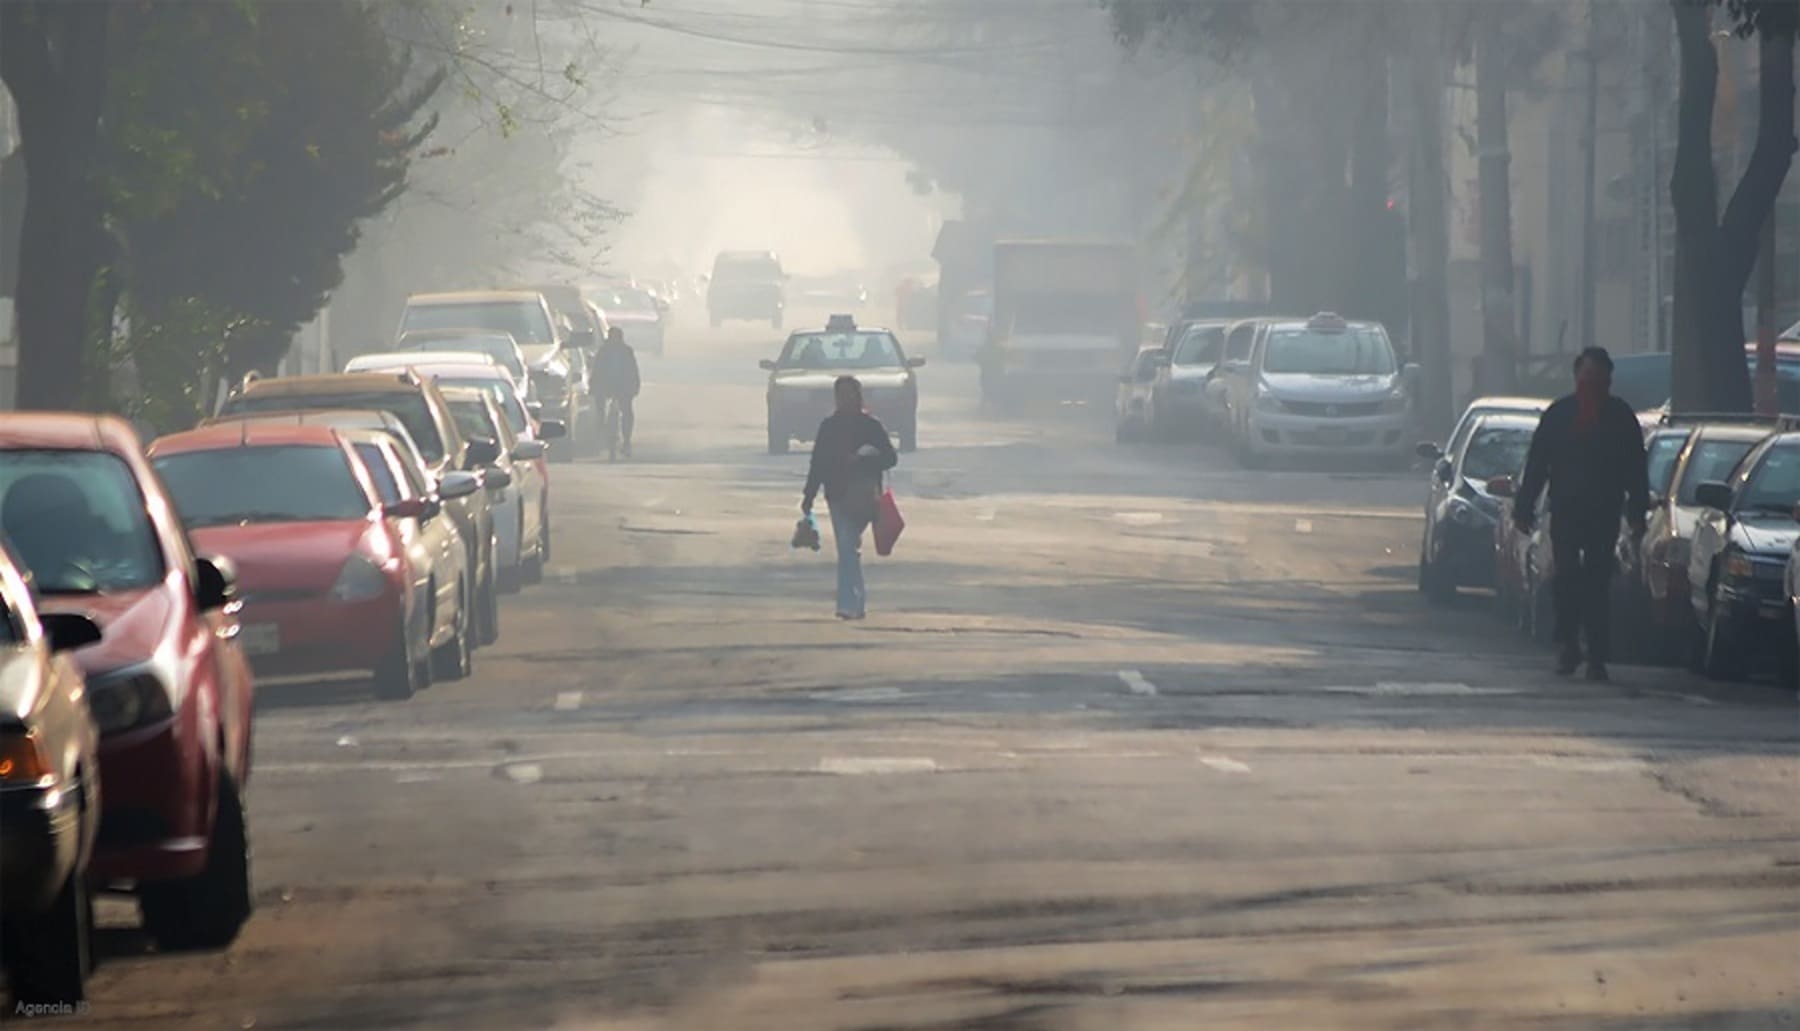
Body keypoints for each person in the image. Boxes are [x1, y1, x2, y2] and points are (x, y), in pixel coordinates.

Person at [1514, 347, 1649, 681]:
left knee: (1598, 583)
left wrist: (1636, 513)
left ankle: (1597, 655)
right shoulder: (1559, 415)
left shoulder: (1620, 417)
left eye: (1598, 379)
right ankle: (1569, 643)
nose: (1592, 385)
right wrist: (1524, 506)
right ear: (1577, 377)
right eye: (1587, 377)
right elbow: (1537, 464)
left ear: (1608, 381)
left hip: (1604, 514)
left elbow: (1636, 469)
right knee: (1566, 578)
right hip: (1566, 511)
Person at [801, 376, 898, 620]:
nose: (844, 399)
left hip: (863, 495)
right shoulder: (829, 426)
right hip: (836, 494)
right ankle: (852, 602)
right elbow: (818, 463)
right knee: (846, 549)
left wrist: (864, 458)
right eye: (840, 395)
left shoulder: (871, 426)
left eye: (849, 394)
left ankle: (851, 603)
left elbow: (890, 458)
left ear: (858, 396)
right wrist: (808, 495)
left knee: (847, 545)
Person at [592, 326, 640, 457]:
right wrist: (594, 386)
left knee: (627, 413)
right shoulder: (603, 351)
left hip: (623, 387)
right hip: (606, 387)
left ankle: (626, 441)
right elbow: (596, 371)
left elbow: (633, 370)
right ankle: (601, 434)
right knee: (601, 410)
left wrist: (634, 387)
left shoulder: (626, 351)